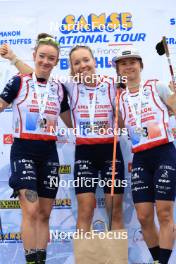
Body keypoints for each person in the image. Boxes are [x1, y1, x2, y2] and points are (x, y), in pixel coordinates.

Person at [0, 43, 126, 232]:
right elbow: (35, 76)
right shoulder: (68, 84)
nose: (83, 65)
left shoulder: (112, 84)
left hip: (112, 152)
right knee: (85, 210)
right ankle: (86, 261)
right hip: (84, 154)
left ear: (94, 61)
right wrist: (14, 59)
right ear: (72, 68)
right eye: (77, 63)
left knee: (114, 211)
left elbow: (129, 108)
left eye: (86, 60)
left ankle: (117, 260)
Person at [0, 33, 71, 264]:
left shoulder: (59, 88)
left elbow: (70, 121)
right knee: (30, 211)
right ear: (34, 55)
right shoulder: (19, 81)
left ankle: (41, 260)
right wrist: (12, 58)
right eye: (42, 56)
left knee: (44, 213)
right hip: (23, 152)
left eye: (51, 58)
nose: (46, 61)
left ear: (57, 61)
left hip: (49, 154)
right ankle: (31, 261)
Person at [112, 47, 176, 264]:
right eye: (123, 63)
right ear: (118, 69)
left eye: (132, 62)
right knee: (144, 216)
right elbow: (121, 126)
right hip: (140, 157)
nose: (128, 66)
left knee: (165, 214)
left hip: (163, 153)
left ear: (141, 65)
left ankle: (162, 262)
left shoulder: (155, 86)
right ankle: (158, 259)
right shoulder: (119, 98)